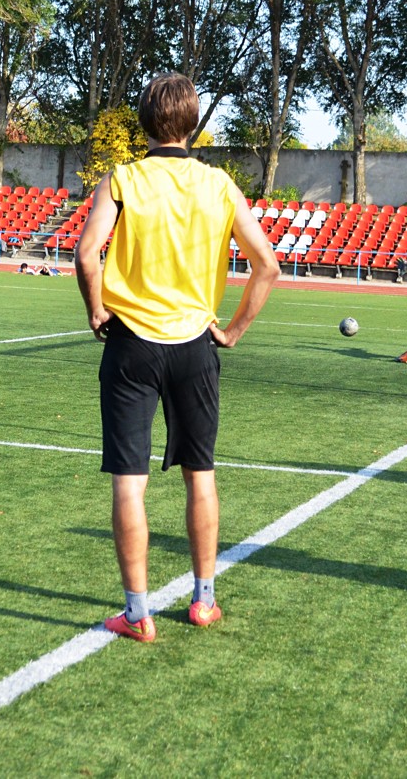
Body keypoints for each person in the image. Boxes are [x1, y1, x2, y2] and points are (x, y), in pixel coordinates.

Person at [75, 72, 278, 643]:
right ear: (194, 124)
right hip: (194, 345)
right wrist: (232, 332)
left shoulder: (122, 179)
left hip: (132, 345)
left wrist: (96, 310)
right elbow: (267, 265)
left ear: (144, 121)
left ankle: (137, 613)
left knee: (128, 481)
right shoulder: (218, 184)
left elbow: (87, 255)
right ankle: (203, 601)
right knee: (200, 474)